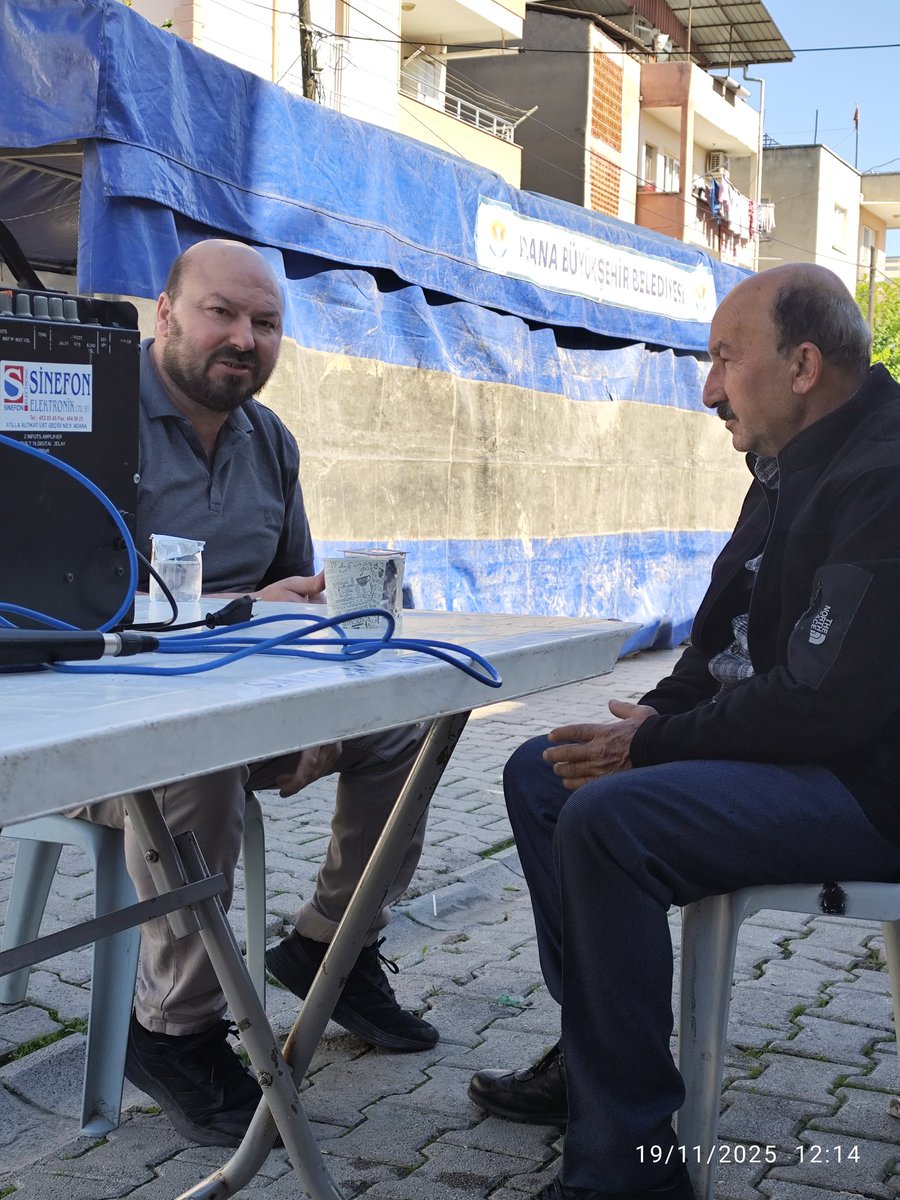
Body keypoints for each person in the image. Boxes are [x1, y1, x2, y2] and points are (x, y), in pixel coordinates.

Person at [466, 263, 900, 1200]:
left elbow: (829, 701)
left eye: (722, 359)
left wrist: (652, 749)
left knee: (610, 821)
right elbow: (720, 647)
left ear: (803, 365)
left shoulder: (886, 476)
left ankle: (626, 1171)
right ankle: (598, 1065)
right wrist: (652, 717)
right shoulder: (779, 470)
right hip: (799, 751)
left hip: (870, 783)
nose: (706, 388)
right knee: (544, 775)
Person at [75, 239, 437, 1148]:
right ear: (163, 313)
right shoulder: (91, 418)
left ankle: (329, 943)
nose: (244, 338)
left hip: (246, 698)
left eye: (266, 322)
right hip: (103, 714)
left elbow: (298, 591)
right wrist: (240, 614)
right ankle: (172, 1029)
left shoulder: (270, 440)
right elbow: (65, 601)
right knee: (196, 755)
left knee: (408, 720)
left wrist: (320, 705)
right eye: (221, 313)